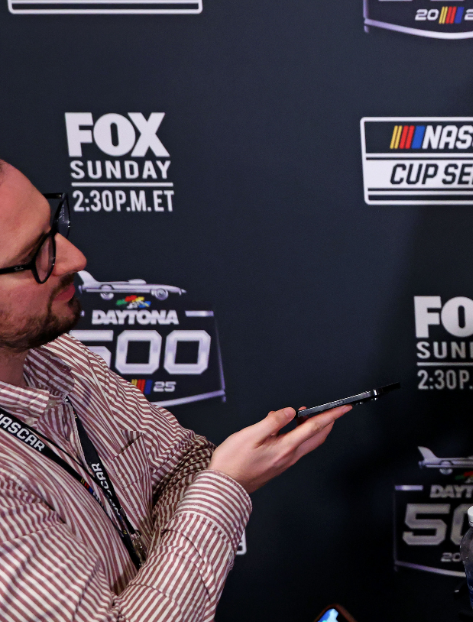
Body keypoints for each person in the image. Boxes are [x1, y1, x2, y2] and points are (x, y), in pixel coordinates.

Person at [0, 159, 350, 620]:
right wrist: (225, 487)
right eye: (36, 255)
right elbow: (207, 478)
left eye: (54, 225)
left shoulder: (62, 356)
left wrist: (151, 587)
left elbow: (186, 461)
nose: (75, 259)